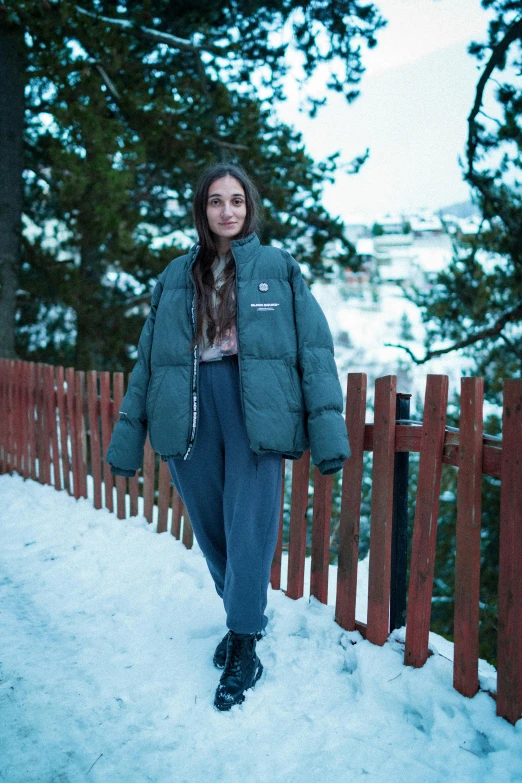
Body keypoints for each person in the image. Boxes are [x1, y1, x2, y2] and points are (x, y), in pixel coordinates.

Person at [106, 163, 350, 711]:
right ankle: (242, 617)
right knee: (213, 530)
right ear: (203, 210)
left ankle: (244, 640)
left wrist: (327, 431)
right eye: (216, 201)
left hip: (256, 411)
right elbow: (149, 361)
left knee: (250, 528)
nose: (227, 211)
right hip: (190, 410)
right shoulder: (174, 276)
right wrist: (127, 438)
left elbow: (314, 349)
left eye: (236, 200)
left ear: (249, 206)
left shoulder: (279, 268)